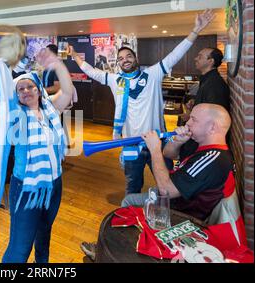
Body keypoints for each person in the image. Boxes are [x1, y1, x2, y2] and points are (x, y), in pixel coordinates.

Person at [69, 9, 215, 198]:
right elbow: (90, 70)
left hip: (158, 141)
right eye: (120, 59)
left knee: (168, 186)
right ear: (118, 63)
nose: (125, 60)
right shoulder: (115, 80)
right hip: (131, 144)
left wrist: (195, 30)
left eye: (128, 56)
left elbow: (175, 54)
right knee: (132, 186)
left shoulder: (153, 74)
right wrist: (74, 55)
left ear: (135, 58)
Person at [82, 103, 235, 261]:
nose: (187, 122)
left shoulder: (213, 159)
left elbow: (166, 191)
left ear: (212, 127)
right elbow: (168, 154)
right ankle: (119, 247)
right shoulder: (202, 144)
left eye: (193, 120)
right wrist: (177, 141)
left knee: (130, 201)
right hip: (175, 196)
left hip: (178, 213)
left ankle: (121, 252)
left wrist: (154, 149)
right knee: (130, 200)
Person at [2, 48, 76, 263]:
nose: (25, 90)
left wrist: (57, 64)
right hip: (27, 189)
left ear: (38, 89)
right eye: (20, 89)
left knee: (44, 236)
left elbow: (68, 91)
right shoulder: (15, 114)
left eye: (30, 86)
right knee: (20, 247)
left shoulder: (50, 108)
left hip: (54, 184)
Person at [180, 47, 230, 123]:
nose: (195, 58)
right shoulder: (207, 79)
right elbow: (207, 104)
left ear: (211, 61)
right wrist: (196, 102)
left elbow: (214, 118)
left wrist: (191, 117)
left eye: (200, 57)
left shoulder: (215, 84)